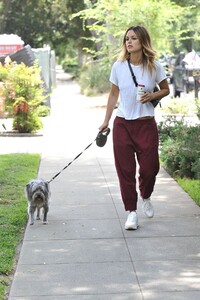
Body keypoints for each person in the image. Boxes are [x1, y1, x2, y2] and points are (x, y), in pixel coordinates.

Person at [99, 25, 170, 230]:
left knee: (150, 169)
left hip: (146, 123)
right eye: (127, 39)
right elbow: (113, 95)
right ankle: (131, 212)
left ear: (143, 42)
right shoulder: (118, 66)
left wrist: (152, 95)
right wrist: (106, 120)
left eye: (134, 39)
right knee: (125, 171)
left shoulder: (154, 67)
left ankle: (145, 195)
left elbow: (165, 89)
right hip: (122, 124)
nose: (129, 42)